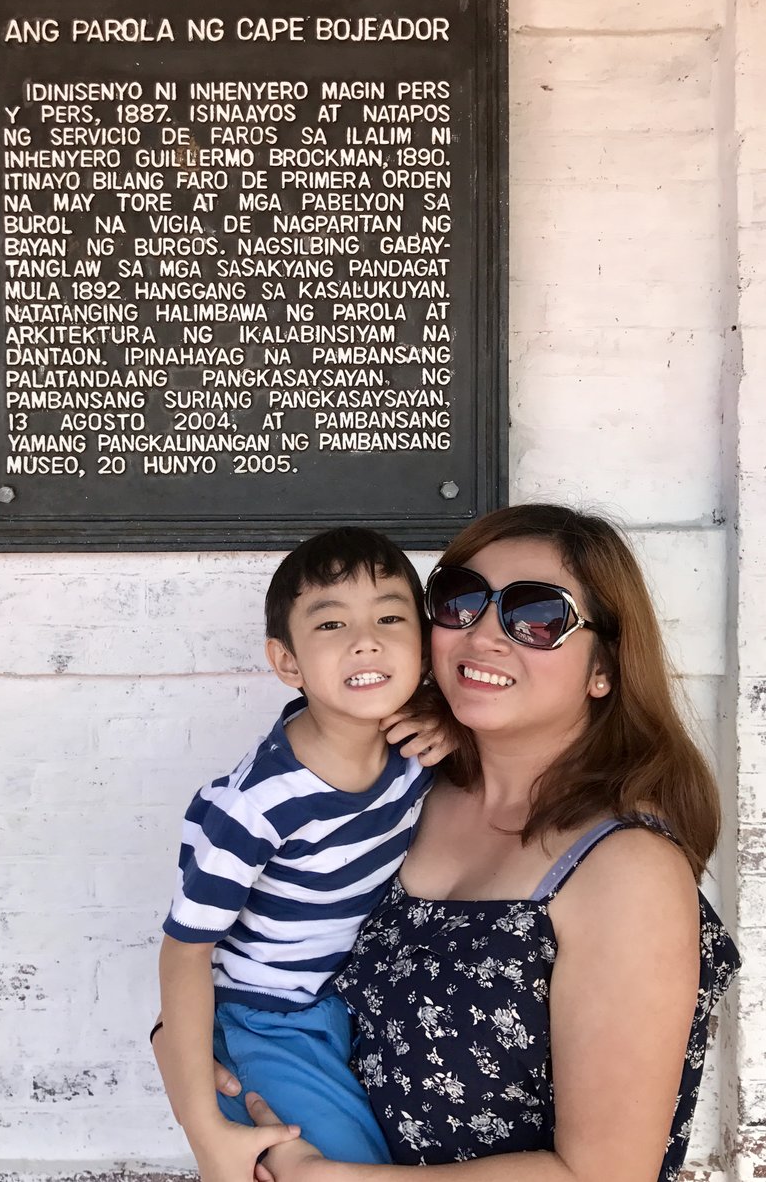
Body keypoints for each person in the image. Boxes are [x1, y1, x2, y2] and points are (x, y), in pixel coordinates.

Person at [224, 504, 740, 1182]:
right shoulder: (399, 791)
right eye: (460, 600)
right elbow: (255, 949)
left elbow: (605, 1174)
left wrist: (330, 1179)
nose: (485, 634)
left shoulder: (624, 871)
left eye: (539, 616)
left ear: (603, 669)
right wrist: (197, 1068)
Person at [157, 527, 452, 1182]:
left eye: (391, 617)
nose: (366, 639)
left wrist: (448, 719)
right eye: (331, 624)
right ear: (287, 662)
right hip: (269, 1020)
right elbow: (184, 951)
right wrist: (204, 1126)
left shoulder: (417, 748)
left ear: (425, 646)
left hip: (348, 1001)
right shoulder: (255, 806)